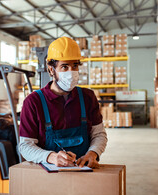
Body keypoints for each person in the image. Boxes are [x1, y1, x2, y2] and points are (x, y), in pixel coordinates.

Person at [19, 37, 107, 168]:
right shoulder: (33, 102)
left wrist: (93, 153)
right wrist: (51, 157)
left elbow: (99, 134)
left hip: (82, 170)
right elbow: (25, 146)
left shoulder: (87, 97)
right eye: (64, 67)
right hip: (47, 173)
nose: (71, 73)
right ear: (51, 70)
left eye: (75, 66)